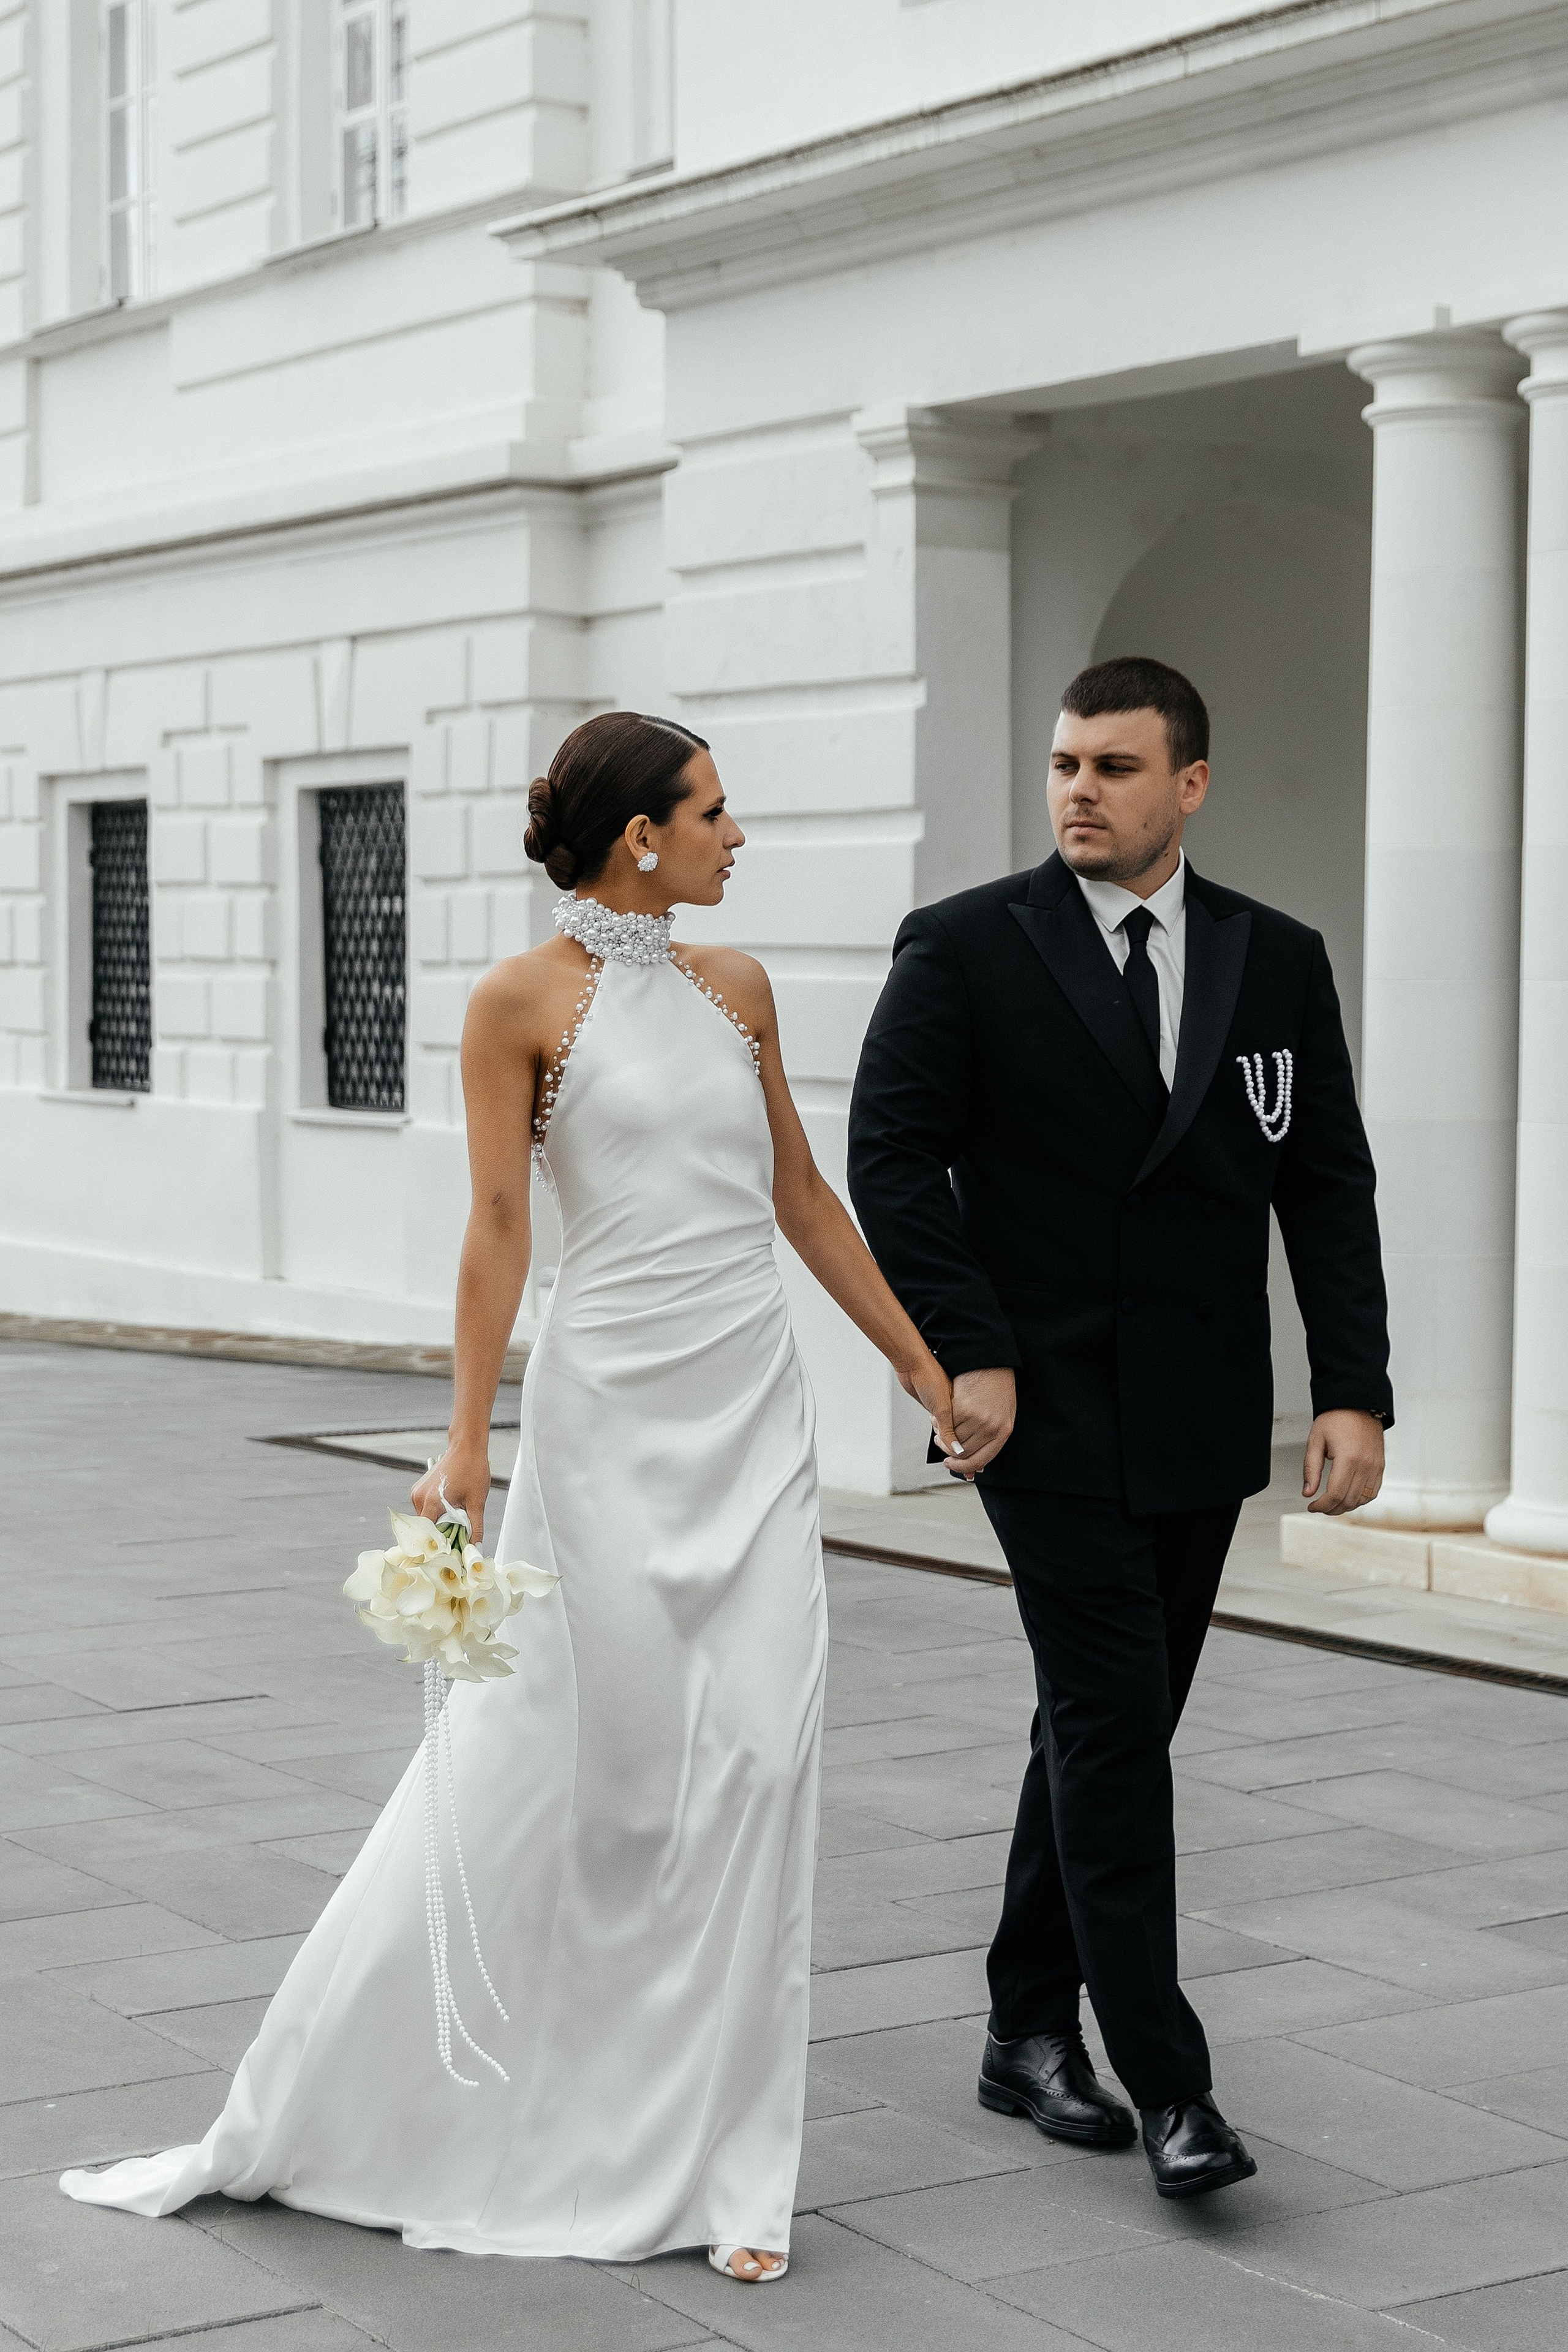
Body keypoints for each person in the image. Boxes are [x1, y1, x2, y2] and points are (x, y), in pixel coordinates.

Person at [61, 710, 956, 2282]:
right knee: (598, 1786)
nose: (736, 839)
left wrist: (916, 1366)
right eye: (716, 813)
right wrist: (465, 1440)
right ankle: (453, 2098)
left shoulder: (735, 992)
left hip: (751, 1411)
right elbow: (494, 1231)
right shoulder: (516, 1003)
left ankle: (733, 2174)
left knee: (756, 1758)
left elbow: (799, 1198)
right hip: (606, 1423)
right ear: (642, 838)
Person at [846, 656, 1392, 2201]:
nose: (1078, 789)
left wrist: (1347, 1385)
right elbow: (890, 1165)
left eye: (1113, 767)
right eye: (1063, 764)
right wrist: (966, 1352)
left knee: (1109, 1725)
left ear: (1188, 786)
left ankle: (1021, 2027)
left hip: (1203, 1416)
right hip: (1040, 1414)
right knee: (1107, 1726)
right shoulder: (962, 947)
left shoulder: (1270, 957)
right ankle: (1170, 2083)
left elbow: (1323, 1181)